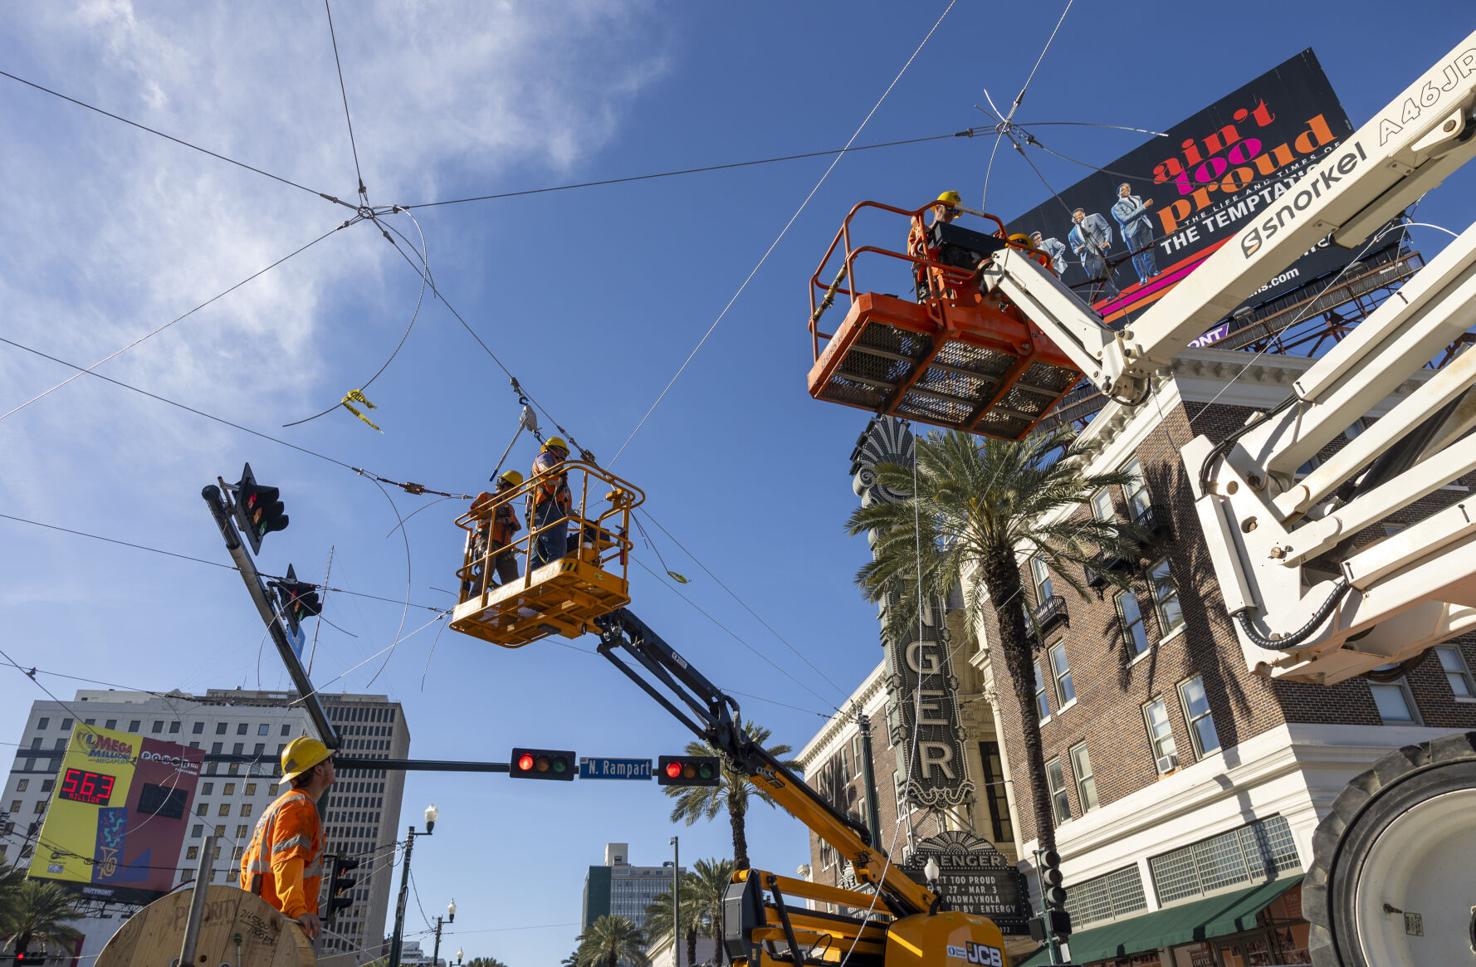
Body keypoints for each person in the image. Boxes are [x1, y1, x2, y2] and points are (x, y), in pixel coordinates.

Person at [240, 736, 335, 941]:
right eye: (328, 761)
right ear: (318, 769)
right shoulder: (300, 807)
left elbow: (247, 863)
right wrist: (297, 910)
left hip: (261, 918)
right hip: (281, 923)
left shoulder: (277, 807)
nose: (332, 765)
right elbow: (287, 859)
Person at [465, 470, 523, 594]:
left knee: (511, 575)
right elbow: (473, 513)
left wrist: (510, 523)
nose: (516, 493)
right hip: (487, 540)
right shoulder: (486, 496)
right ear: (505, 485)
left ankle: (513, 603)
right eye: (515, 489)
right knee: (488, 570)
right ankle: (474, 599)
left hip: (504, 546)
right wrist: (493, 514)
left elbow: (517, 526)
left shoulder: (510, 508)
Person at [528, 437, 574, 569]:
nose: (563, 459)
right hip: (546, 511)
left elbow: (567, 508)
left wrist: (584, 521)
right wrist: (555, 474)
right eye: (561, 453)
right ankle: (551, 578)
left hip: (553, 513)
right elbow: (545, 469)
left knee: (539, 552)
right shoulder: (545, 457)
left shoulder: (561, 480)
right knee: (557, 549)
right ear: (552, 450)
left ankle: (533, 584)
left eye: (565, 456)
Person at [908, 190, 963, 299]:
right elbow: (914, 253)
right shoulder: (919, 231)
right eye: (950, 209)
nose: (952, 215)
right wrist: (924, 232)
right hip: (932, 285)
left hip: (954, 285)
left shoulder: (955, 238)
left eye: (956, 211)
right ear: (937, 208)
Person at [1111, 183, 1158, 284]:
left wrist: (1145, 208)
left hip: (1144, 225)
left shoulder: (1137, 198)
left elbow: (1141, 212)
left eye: (1128, 188)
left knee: (1149, 249)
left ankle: (1152, 271)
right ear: (1118, 194)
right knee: (1136, 255)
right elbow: (1124, 219)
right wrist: (1144, 207)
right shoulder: (1115, 207)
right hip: (1130, 231)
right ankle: (1143, 277)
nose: (1126, 190)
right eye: (1122, 189)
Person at [1067, 207, 1118, 300]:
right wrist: (1078, 249)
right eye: (1075, 217)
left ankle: (1113, 292)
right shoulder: (1071, 234)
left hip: (1098, 248)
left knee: (1099, 268)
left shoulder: (1094, 217)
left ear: (1084, 214)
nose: (1078, 217)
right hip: (1086, 255)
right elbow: (1074, 249)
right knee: (1093, 277)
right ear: (1072, 220)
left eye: (1079, 215)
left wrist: (1107, 241)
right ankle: (1112, 280)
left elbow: (1107, 228)